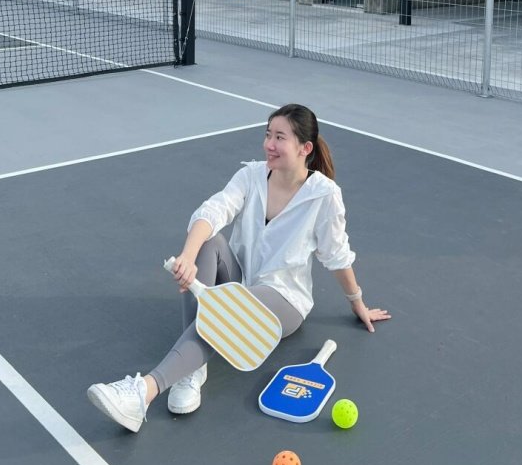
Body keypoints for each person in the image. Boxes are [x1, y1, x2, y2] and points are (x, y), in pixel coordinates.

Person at [87, 103, 391, 433]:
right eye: (267, 134)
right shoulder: (251, 176)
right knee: (207, 242)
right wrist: (188, 256)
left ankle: (143, 392)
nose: (269, 144)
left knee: (231, 310)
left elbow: (337, 256)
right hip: (240, 281)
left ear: (305, 148)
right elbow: (213, 211)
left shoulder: (324, 195)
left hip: (283, 299)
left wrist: (357, 302)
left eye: (279, 137)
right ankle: (192, 368)